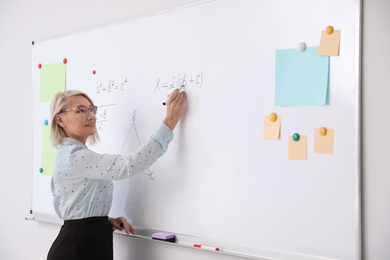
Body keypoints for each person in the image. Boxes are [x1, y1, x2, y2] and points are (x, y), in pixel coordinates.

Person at [47, 88, 186, 260]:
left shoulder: (66, 154)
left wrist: (102, 221)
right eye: (81, 110)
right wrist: (170, 121)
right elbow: (131, 164)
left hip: (84, 244)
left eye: (92, 109)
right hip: (79, 249)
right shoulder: (76, 156)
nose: (91, 116)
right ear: (60, 119)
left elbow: (69, 207)